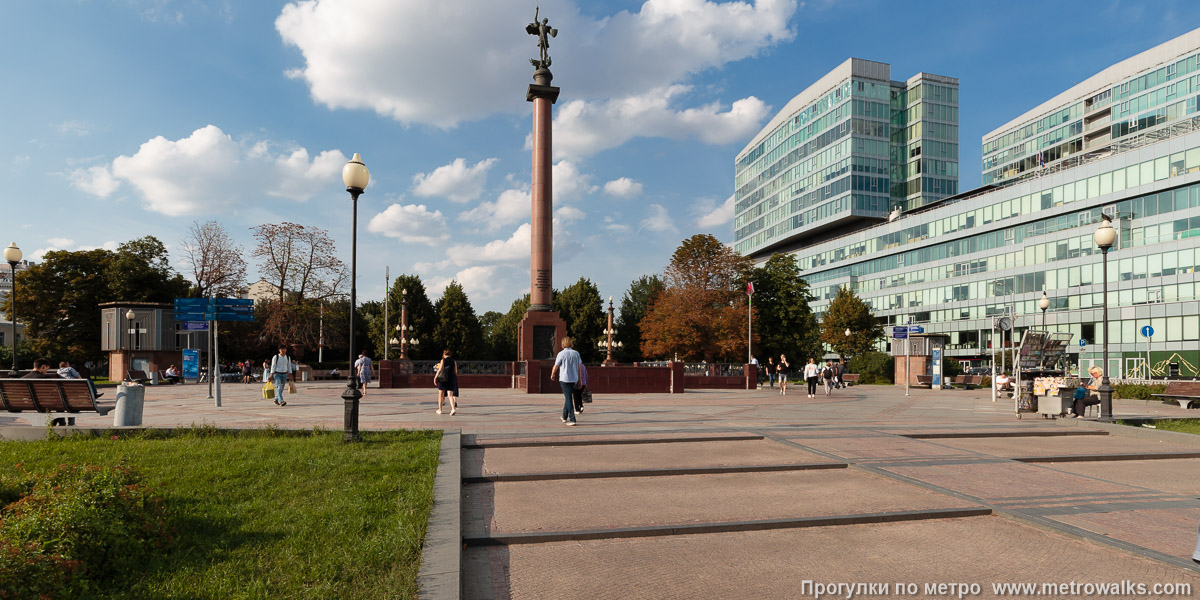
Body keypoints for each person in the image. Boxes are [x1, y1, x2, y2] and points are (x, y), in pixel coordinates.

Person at [549, 336, 582, 426]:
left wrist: (552, 374)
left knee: (568, 398)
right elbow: (579, 367)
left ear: (563, 344)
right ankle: (564, 416)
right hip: (574, 378)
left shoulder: (561, 354)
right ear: (571, 343)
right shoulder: (576, 353)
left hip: (564, 379)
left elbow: (556, 365)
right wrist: (579, 378)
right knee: (568, 397)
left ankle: (572, 419)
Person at [433, 349, 459, 415]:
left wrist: (435, 378)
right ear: (450, 354)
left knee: (440, 395)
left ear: (444, 354)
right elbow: (456, 372)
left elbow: (439, 370)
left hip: (443, 379)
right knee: (450, 395)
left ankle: (440, 409)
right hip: (451, 379)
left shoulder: (443, 360)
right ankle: (453, 409)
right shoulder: (454, 361)